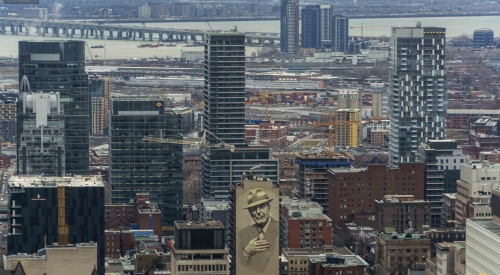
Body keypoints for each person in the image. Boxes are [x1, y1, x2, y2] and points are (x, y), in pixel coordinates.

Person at [238, 188, 278, 273]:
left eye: (262, 206)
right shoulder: (244, 233)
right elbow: (241, 264)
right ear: (249, 212)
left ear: (269, 207)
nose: (258, 212)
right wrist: (246, 253)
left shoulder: (278, 229)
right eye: (253, 209)